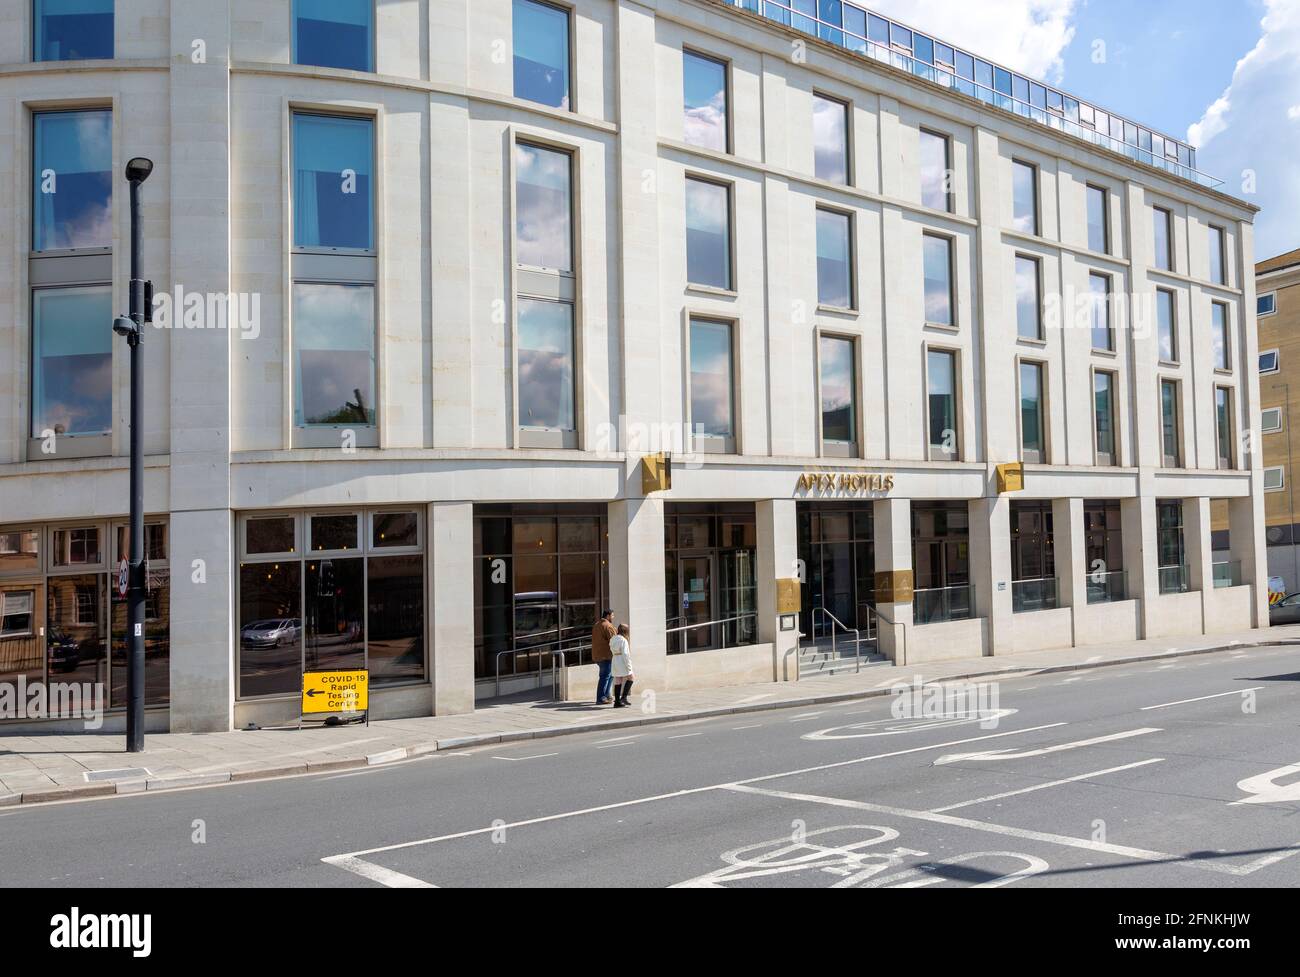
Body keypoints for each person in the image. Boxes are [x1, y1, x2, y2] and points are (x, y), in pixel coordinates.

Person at [591, 609, 616, 704]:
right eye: (612, 615)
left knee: (609, 675)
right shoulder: (608, 626)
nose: (613, 617)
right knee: (605, 676)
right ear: (608, 616)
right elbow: (614, 640)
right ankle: (601, 697)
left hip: (597, 655)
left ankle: (607, 695)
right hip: (606, 656)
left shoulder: (597, 624)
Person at [610, 624, 634, 708]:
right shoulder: (623, 640)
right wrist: (629, 666)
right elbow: (626, 654)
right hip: (622, 660)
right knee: (631, 677)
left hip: (615, 659)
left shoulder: (613, 638)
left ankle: (617, 701)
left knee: (618, 680)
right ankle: (623, 698)